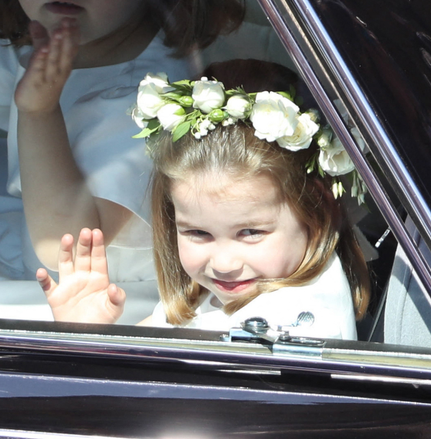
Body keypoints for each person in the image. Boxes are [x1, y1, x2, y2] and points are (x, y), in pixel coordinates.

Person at [36, 65, 371, 339]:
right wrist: (85, 333)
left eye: (250, 232)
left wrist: (90, 346)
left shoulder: (283, 328)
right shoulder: (240, 291)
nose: (224, 263)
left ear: (315, 209)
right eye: (198, 233)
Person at [0, 0, 245, 281]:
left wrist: (39, 112)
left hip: (100, 300)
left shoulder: (148, 102)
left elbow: (65, 248)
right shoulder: (52, 42)